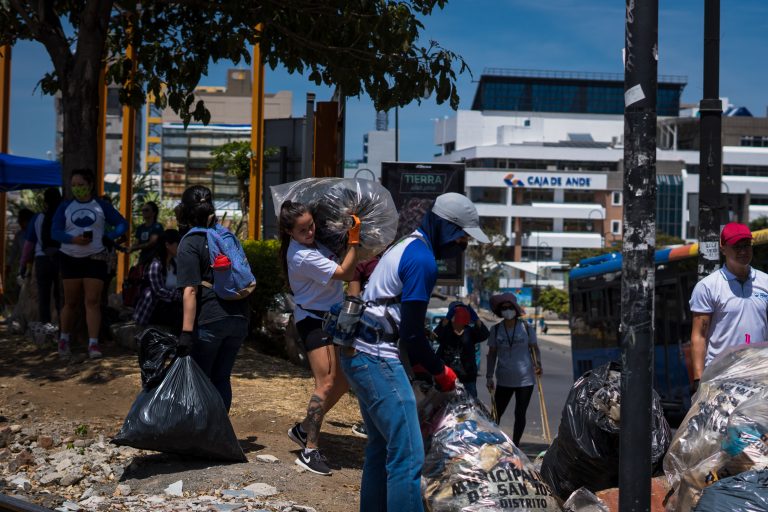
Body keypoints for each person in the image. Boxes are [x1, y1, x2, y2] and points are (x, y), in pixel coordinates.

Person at [340, 192, 489, 511]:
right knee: (408, 455)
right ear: (447, 228)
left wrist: (423, 368)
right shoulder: (422, 260)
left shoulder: (406, 245)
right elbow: (412, 334)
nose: (462, 244)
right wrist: (440, 372)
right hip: (376, 357)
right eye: (462, 237)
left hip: (359, 352)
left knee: (381, 447)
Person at [279, 200, 359, 476]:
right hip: (313, 321)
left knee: (343, 380)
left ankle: (303, 429)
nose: (310, 232)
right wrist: (354, 242)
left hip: (330, 317)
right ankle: (310, 450)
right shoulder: (302, 255)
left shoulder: (316, 244)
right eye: (303, 230)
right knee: (325, 383)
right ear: (290, 232)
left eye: (311, 225)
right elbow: (345, 273)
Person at [176, 186, 251, 412]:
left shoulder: (190, 242)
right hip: (239, 316)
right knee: (221, 377)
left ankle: (201, 430)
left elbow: (190, 290)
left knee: (199, 379)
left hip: (211, 318)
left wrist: (186, 333)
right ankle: (220, 429)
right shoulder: (224, 235)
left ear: (184, 211)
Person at [52, 169, 128, 359]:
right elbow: (55, 232)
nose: (77, 188)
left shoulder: (101, 206)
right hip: (69, 257)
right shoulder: (65, 206)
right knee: (70, 302)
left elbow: (122, 224)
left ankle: (93, 344)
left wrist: (108, 236)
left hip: (96, 258)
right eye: (74, 185)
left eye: (81, 185)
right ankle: (64, 339)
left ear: (90, 185)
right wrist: (73, 239)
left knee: (92, 302)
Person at [689, 222, 768, 393]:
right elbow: (699, 336)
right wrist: (698, 379)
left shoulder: (765, 282)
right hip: (720, 378)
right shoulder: (708, 286)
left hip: (759, 376)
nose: (743, 251)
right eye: (737, 246)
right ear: (723, 249)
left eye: (746, 245)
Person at [486, 293, 542, 447]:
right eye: (504, 308)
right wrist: (489, 376)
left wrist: (538, 365)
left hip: (525, 379)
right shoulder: (496, 329)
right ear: (500, 311)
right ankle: (492, 442)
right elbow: (491, 354)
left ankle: (516, 444)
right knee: (496, 413)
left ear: (515, 309)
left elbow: (534, 348)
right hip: (504, 379)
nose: (507, 310)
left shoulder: (526, 327)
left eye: (510, 307)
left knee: (520, 413)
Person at [19, 188, 63, 325]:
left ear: (45, 202)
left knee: (43, 296)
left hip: (42, 260)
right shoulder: (64, 216)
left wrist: (23, 265)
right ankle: (62, 327)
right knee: (60, 296)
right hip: (61, 258)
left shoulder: (37, 218)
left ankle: (45, 327)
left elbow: (28, 245)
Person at [433, 301, 489, 398]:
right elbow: (435, 336)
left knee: (470, 403)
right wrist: (447, 318)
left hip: (468, 379)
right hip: (448, 378)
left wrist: (476, 319)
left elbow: (485, 334)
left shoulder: (470, 331)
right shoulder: (445, 330)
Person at [133, 229, 182, 330]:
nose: (180, 247)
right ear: (167, 245)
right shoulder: (156, 264)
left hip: (167, 308)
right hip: (151, 312)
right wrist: (180, 296)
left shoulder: (174, 263)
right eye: (178, 244)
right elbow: (158, 291)